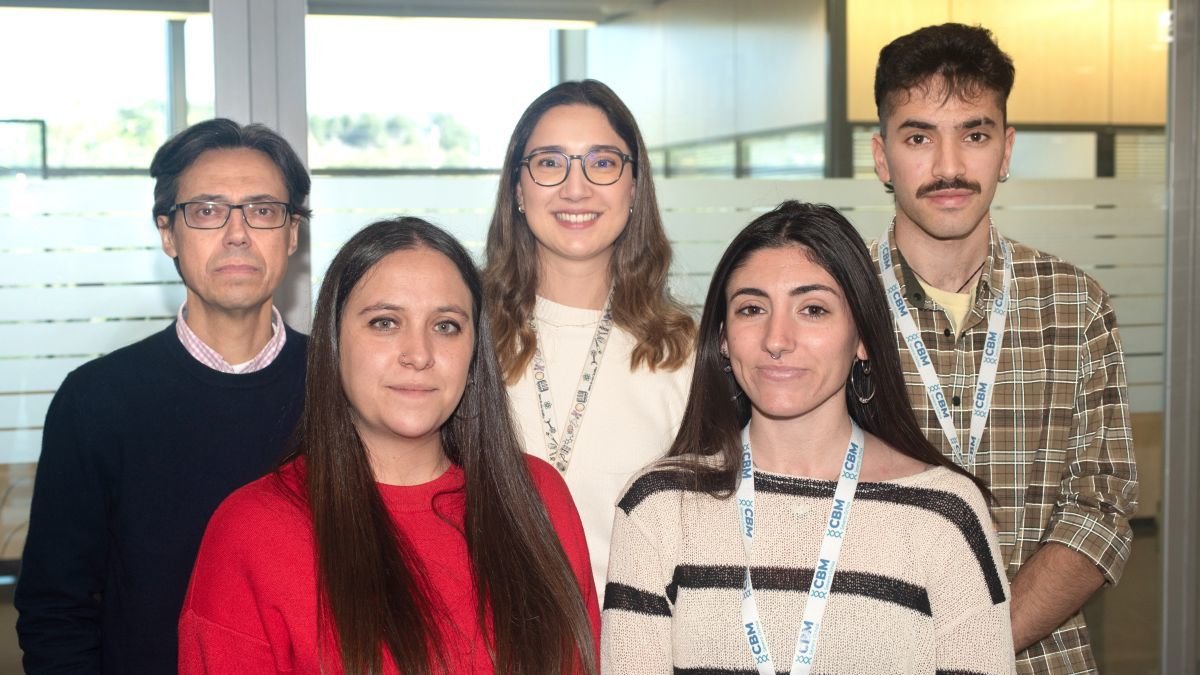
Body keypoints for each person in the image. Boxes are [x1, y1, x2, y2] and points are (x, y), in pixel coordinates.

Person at [602, 200, 1015, 674]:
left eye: (813, 309)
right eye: (752, 309)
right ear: (723, 338)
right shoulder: (658, 507)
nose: (777, 339)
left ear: (862, 338)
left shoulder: (944, 513)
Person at [179, 218, 599, 675]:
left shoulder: (537, 497)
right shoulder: (252, 532)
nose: (418, 354)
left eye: (446, 326)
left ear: (474, 352)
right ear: (334, 341)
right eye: (385, 322)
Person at [868, 23, 1137, 673]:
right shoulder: (832, 309)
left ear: (1006, 150)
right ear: (881, 156)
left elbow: (1101, 509)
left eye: (975, 135)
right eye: (919, 137)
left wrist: (975, 644)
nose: (949, 167)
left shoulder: (1076, 306)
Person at [15, 119, 311, 675]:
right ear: (168, 233)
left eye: (263, 210)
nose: (238, 233)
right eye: (207, 210)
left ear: (292, 233)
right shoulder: (96, 401)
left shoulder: (343, 389)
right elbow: (56, 609)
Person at [484, 79, 696, 597]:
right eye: (549, 163)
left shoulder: (685, 351)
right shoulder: (464, 337)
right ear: (518, 188)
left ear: (634, 186)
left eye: (602, 163)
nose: (575, 188)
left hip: (640, 634)